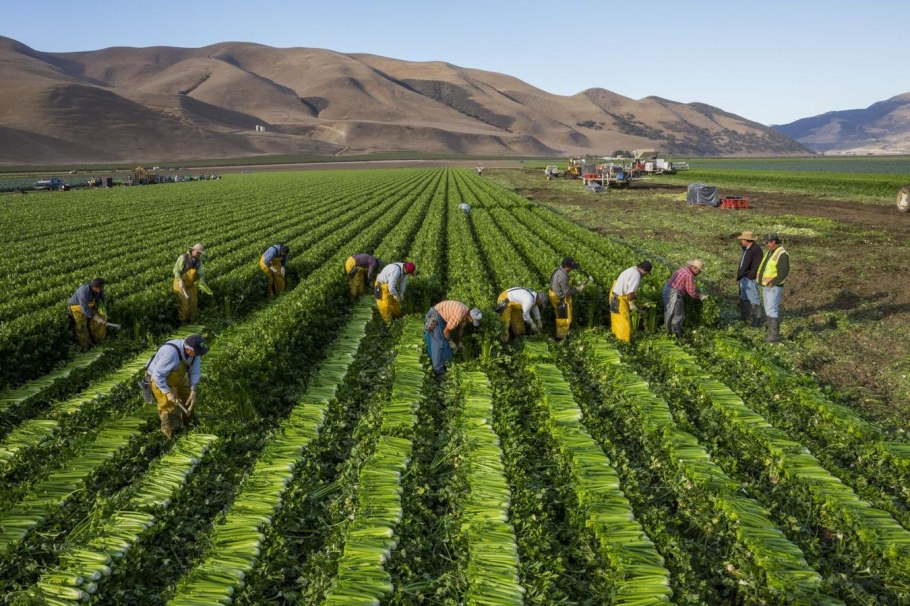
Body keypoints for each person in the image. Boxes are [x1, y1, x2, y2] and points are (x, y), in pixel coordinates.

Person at [145, 334, 208, 438]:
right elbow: (157, 376)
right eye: (197, 353)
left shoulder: (194, 353)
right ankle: (172, 436)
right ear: (188, 350)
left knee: (188, 398)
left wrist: (193, 389)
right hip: (159, 380)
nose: (198, 355)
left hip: (176, 377)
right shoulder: (171, 354)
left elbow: (195, 371)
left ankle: (188, 424)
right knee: (170, 408)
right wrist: (168, 392)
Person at [424, 300, 482, 374]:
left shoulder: (466, 311)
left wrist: (460, 342)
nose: (471, 322)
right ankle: (438, 371)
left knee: (443, 344)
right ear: (469, 317)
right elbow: (446, 332)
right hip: (435, 316)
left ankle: (440, 363)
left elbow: (461, 329)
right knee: (438, 344)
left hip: (441, 316)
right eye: (472, 321)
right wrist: (451, 342)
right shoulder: (458, 316)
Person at [757, 233, 790, 343]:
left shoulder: (782, 254)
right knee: (768, 308)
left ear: (774, 241)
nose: (766, 244)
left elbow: (784, 271)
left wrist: (773, 282)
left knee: (771, 309)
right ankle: (771, 332)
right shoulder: (771, 252)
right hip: (767, 285)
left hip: (774, 286)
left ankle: (774, 335)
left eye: (768, 242)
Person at [663, 259, 708, 337]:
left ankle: (669, 333)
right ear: (695, 269)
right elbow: (691, 292)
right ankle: (676, 335)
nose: (699, 273)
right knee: (677, 316)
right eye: (699, 271)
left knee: (669, 313)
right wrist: (700, 296)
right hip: (674, 294)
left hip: (667, 290)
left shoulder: (683, 269)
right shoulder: (689, 275)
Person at [610, 261, 652, 343]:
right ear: (643, 269)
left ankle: (616, 338)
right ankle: (623, 343)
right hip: (619, 299)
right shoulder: (636, 275)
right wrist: (632, 303)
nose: (645, 275)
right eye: (646, 273)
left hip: (614, 295)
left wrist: (634, 296)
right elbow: (630, 293)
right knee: (624, 322)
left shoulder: (632, 269)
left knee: (616, 319)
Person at [67, 278, 108, 351]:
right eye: (100, 288)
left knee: (97, 324)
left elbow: (102, 299)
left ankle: (98, 342)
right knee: (81, 327)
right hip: (77, 307)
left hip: (88, 305)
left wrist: (103, 312)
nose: (102, 289)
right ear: (94, 287)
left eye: (102, 287)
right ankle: (85, 347)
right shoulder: (84, 291)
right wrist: (96, 318)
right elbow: (84, 309)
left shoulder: (100, 290)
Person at [173, 244, 208, 324]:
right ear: (193, 250)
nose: (199, 254)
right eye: (198, 252)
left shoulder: (198, 261)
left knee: (193, 303)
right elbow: (176, 270)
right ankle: (183, 322)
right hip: (180, 283)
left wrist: (202, 280)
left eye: (200, 253)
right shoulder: (183, 258)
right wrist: (180, 280)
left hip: (191, 284)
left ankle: (192, 321)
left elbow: (201, 273)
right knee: (184, 304)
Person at [548, 257, 582, 340]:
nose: (572, 269)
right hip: (559, 298)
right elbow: (567, 292)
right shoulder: (563, 276)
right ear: (566, 266)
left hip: (553, 292)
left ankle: (563, 332)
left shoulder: (558, 270)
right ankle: (560, 337)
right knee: (563, 317)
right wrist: (577, 289)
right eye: (571, 267)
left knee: (559, 315)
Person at [735, 231, 763, 327]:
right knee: (744, 297)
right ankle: (745, 316)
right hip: (744, 277)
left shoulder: (756, 249)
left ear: (747, 240)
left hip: (750, 279)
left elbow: (757, 265)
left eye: (742, 239)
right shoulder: (747, 249)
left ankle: (757, 319)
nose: (741, 241)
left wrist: (750, 276)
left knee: (754, 298)